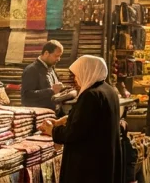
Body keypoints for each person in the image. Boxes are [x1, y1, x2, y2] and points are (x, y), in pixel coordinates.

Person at [39, 55, 119, 183]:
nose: (75, 80)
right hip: (103, 160)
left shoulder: (91, 95)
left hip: (88, 166)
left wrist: (53, 130)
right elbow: (92, 119)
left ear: (87, 71)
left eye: (76, 75)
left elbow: (74, 133)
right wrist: (65, 119)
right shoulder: (108, 90)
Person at [22, 40, 65, 110]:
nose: (59, 59)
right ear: (46, 53)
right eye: (56, 56)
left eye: (60, 56)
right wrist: (51, 91)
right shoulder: (32, 69)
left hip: (52, 114)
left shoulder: (51, 68)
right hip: (39, 116)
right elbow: (26, 97)